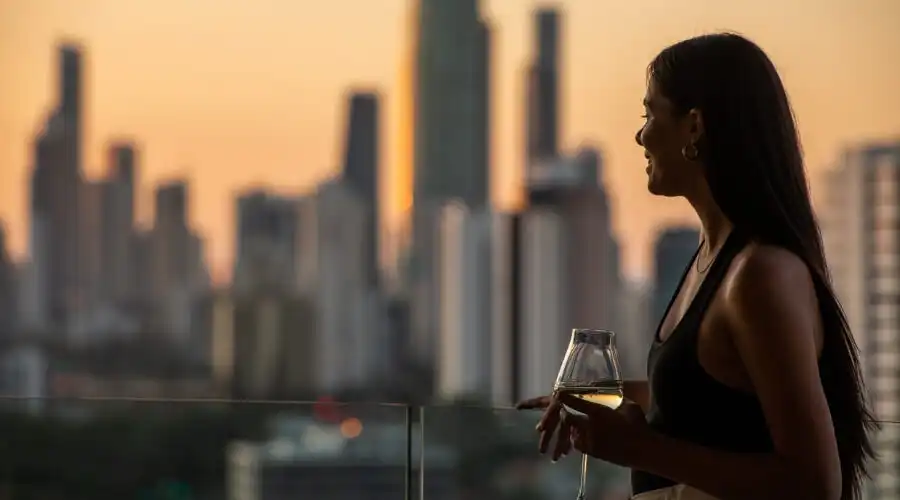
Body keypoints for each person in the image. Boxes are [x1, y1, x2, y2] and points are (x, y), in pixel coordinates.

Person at [516, 32, 875, 500]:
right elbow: (715, 401)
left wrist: (638, 449)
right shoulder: (714, 257)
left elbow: (814, 484)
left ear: (694, 127)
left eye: (649, 114)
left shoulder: (760, 274)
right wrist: (611, 399)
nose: (640, 135)